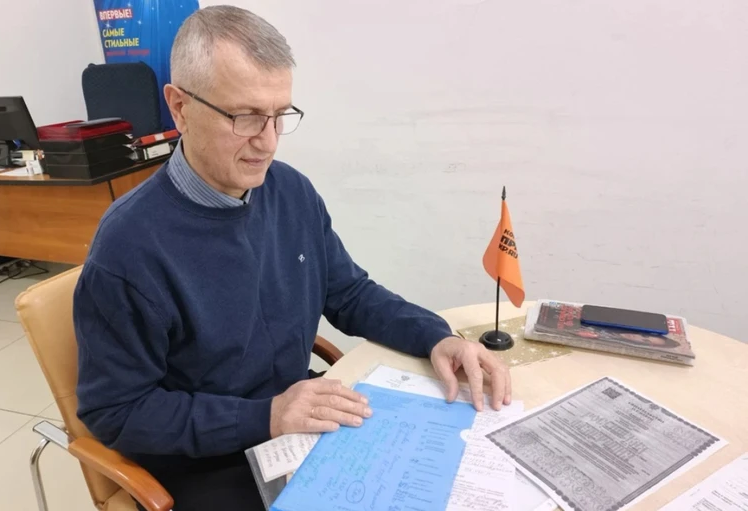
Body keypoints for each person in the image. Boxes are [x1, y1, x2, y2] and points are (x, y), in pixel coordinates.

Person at [73, 5, 511, 510]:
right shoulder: (128, 249)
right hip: (209, 460)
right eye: (244, 116)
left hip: (296, 419)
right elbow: (117, 412)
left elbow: (348, 293)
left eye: (280, 115)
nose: (268, 142)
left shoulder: (290, 191)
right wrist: (268, 416)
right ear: (179, 107)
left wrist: (435, 336)